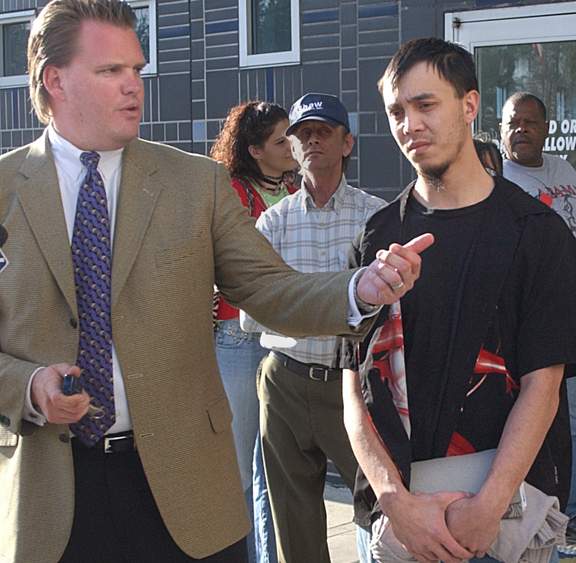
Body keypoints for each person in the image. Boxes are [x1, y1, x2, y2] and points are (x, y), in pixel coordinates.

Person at [0, 1, 426, 561]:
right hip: (50, 497)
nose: (134, 86)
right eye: (111, 72)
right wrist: (28, 387)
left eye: (138, 70)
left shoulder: (194, 184)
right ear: (54, 79)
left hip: (185, 494)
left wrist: (357, 289)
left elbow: (270, 289)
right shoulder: (6, 189)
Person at [344, 37, 576, 563]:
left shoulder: (536, 233)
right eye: (397, 110)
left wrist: (489, 506)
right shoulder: (377, 237)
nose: (409, 125)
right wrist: (394, 501)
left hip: (507, 519)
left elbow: (543, 386)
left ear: (469, 105)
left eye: (425, 104)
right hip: (400, 522)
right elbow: (351, 382)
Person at [240, 92, 385, 563]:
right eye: (303, 134)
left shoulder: (377, 217)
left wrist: (296, 304)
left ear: (348, 143)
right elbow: (250, 312)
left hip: (354, 387)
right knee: (294, 527)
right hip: (286, 383)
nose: (313, 141)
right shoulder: (272, 222)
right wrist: (331, 306)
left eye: (324, 132)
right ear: (293, 148)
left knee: (381, 509)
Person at [499, 91, 576, 543]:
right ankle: (527, 511)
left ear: (546, 128)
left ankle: (570, 510)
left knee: (572, 421)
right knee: (525, 419)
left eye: (529, 121)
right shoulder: (495, 179)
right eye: (511, 123)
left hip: (572, 315)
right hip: (524, 325)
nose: (520, 129)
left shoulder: (563, 169)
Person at [209, 100, 298, 563]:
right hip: (238, 339)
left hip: (286, 341)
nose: (293, 146)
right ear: (255, 150)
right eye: (282, 139)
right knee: (241, 472)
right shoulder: (229, 192)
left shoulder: (298, 187)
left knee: (274, 473)